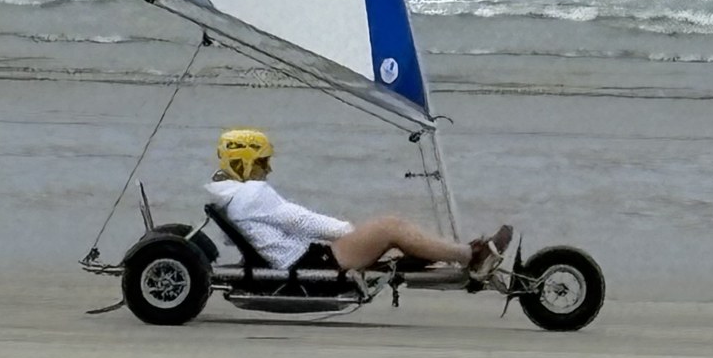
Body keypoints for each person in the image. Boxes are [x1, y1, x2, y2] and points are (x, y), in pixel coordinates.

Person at [204, 128, 512, 276]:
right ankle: (471, 255)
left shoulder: (231, 195)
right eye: (262, 162)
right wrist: (348, 232)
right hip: (307, 261)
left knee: (388, 232)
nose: (268, 169)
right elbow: (300, 220)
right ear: (243, 161)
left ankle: (449, 253)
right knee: (391, 226)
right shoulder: (252, 193)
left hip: (300, 255)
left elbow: (255, 233)